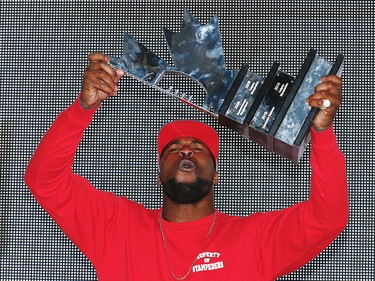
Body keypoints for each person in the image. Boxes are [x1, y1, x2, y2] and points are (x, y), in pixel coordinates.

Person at [24, 53, 349, 281]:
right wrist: (83, 109)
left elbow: (327, 218)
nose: (186, 151)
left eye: (198, 148)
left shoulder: (254, 240)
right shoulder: (115, 226)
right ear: (158, 174)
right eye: (174, 149)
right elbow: (45, 181)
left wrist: (321, 133)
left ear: (216, 174)